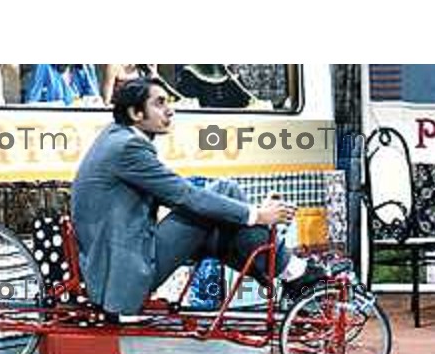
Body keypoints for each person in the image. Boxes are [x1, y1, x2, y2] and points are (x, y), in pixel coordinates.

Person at [71, 77, 325, 316]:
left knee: (226, 232)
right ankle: (295, 274)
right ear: (136, 114)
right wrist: (258, 214)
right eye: (159, 103)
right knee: (226, 190)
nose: (170, 111)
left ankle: (288, 277)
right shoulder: (127, 148)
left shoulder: (115, 137)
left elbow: (174, 191)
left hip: (120, 261)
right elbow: (184, 195)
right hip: (126, 273)